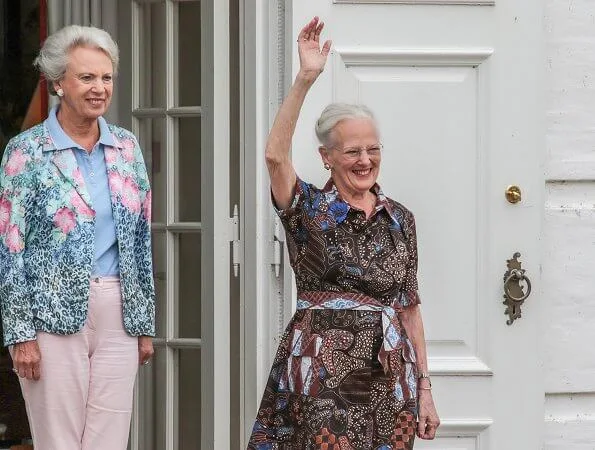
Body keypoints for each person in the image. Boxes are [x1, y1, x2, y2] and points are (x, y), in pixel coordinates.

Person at [248, 17, 440, 449]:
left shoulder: (400, 219)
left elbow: (409, 309)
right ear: (327, 157)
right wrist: (305, 79)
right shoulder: (309, 210)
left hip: (390, 377)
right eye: (352, 151)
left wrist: (425, 390)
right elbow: (275, 157)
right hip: (321, 375)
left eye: (372, 149)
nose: (365, 160)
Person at [0, 25, 155, 450]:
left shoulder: (126, 147)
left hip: (117, 311)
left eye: (106, 77)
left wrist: (143, 324)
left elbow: (139, 241)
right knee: (60, 443)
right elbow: (10, 249)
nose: (99, 88)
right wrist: (20, 334)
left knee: (108, 441)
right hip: (50, 316)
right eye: (87, 77)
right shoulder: (25, 151)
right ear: (58, 84)